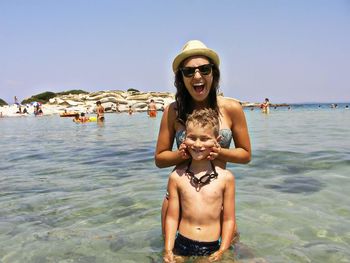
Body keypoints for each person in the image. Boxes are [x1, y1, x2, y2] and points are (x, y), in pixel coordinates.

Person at [155, 40, 251, 241]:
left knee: (228, 255)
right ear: (181, 77)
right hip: (179, 202)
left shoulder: (232, 108)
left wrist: (219, 152)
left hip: (217, 200)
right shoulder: (172, 111)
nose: (197, 76)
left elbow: (245, 154)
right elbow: (160, 159)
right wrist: (180, 154)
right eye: (189, 72)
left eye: (204, 69)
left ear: (213, 73)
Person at [163, 108, 235, 262]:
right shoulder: (177, 176)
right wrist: (168, 249)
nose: (197, 144)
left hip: (212, 246)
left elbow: (229, 219)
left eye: (204, 138)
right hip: (181, 243)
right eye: (192, 138)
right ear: (184, 139)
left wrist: (223, 250)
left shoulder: (226, 178)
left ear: (217, 140)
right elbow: (172, 217)